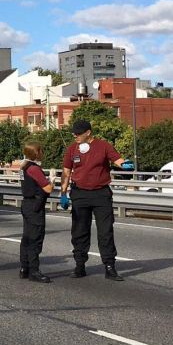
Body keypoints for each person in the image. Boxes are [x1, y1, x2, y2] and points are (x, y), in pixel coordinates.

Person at [59, 119, 134, 281]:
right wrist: (63, 193)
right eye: (74, 133)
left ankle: (109, 267)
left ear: (88, 132)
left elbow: (117, 159)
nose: (75, 135)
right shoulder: (72, 149)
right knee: (79, 231)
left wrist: (125, 164)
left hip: (101, 194)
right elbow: (66, 172)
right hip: (79, 194)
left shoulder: (103, 146)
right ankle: (80, 265)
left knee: (105, 231)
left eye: (78, 133)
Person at [19, 141, 53, 283]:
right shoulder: (34, 169)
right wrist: (52, 180)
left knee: (26, 237)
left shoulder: (23, 166)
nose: (42, 153)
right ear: (36, 153)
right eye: (41, 151)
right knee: (35, 238)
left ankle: (24, 268)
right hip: (34, 205)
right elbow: (47, 189)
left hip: (26, 204)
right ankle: (34, 270)